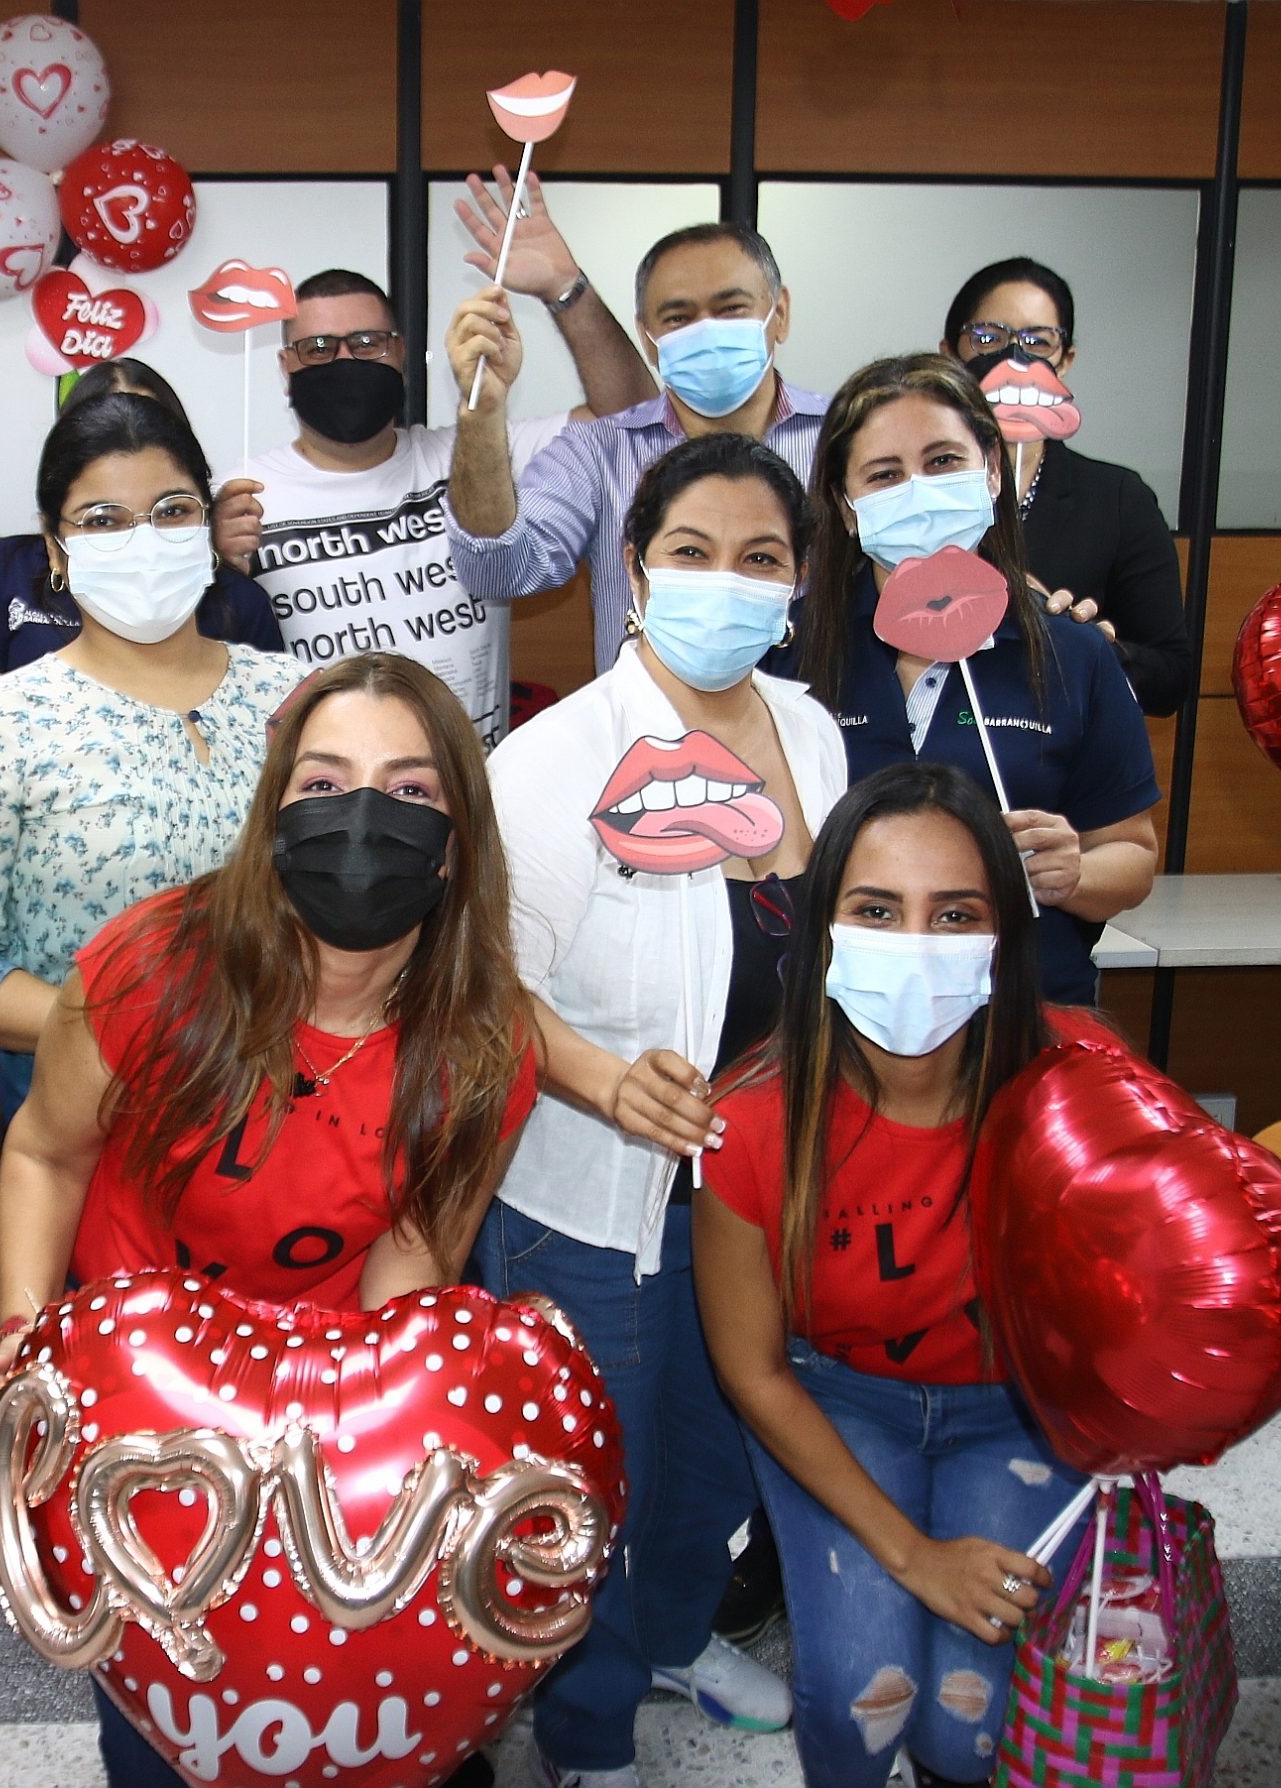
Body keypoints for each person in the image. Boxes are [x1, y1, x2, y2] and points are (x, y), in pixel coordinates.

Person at [0, 654, 541, 1788]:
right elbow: (46, 1151)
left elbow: (409, 1275)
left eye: (412, 793)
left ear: (460, 839)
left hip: (321, 1413)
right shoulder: (148, 968)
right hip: (139, 1406)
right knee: (169, 1726)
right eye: (324, 783)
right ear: (270, 813)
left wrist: (373, 1475)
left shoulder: (482, 1044)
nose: (363, 818)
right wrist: (24, 1342)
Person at [478, 434, 851, 1787]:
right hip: (596, 1197)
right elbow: (482, 988)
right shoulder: (559, 756)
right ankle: (584, 1731)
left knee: (723, 1451)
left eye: (762, 559)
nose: (727, 584)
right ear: (635, 573)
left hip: (761, 1192)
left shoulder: (808, 731)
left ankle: (683, 1632)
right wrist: (601, 1076)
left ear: (800, 582)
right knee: (592, 1479)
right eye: (694, 553)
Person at [693, 759, 1100, 1788]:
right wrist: (912, 1557)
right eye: (876, 909)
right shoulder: (748, 1119)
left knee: (969, 1722)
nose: (915, 946)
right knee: (862, 1697)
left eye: (955, 914)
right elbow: (753, 1371)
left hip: (1017, 1415)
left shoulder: (1081, 1094)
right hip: (840, 1406)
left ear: (1006, 936)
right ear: (822, 927)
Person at [0, 392, 308, 1125]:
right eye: (103, 521)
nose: (144, 539)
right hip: (88, 1129)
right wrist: (142, 1032)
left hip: (291, 1107)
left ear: (208, 530)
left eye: (173, 510)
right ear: (56, 551)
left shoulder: (298, 698)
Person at [228, 170, 655, 745]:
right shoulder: (240, 495)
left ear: (401, 354)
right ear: (286, 367)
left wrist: (565, 288)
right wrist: (213, 566)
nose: (344, 362)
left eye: (367, 344)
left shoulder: (477, 453)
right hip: (325, 805)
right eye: (319, 348)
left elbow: (632, 416)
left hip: (472, 800)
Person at [790, 353, 1159, 1009]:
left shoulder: (1073, 653)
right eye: (884, 475)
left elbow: (1130, 855)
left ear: (991, 470)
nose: (918, 490)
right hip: (840, 1017)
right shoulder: (788, 657)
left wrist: (1071, 873)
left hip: (1027, 1012)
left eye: (942, 462)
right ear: (847, 511)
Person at [448, 222, 831, 677]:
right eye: (678, 318)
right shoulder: (598, 451)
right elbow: (497, 570)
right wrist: (483, 413)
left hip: (815, 733)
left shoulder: (845, 440)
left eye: (731, 309)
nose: (706, 331)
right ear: (647, 336)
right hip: (646, 740)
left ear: (780, 313)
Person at [0, 357, 285, 756]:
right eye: (104, 519)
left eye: (171, 510)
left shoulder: (240, 603)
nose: (128, 446)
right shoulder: (10, 568)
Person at [941, 257, 1193, 717]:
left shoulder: (1116, 499)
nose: (1013, 357)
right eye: (987, 338)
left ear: (1066, 360)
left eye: (1038, 341)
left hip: (1056, 752)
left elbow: (1170, 678)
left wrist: (1090, 646)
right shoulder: (910, 485)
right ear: (949, 353)